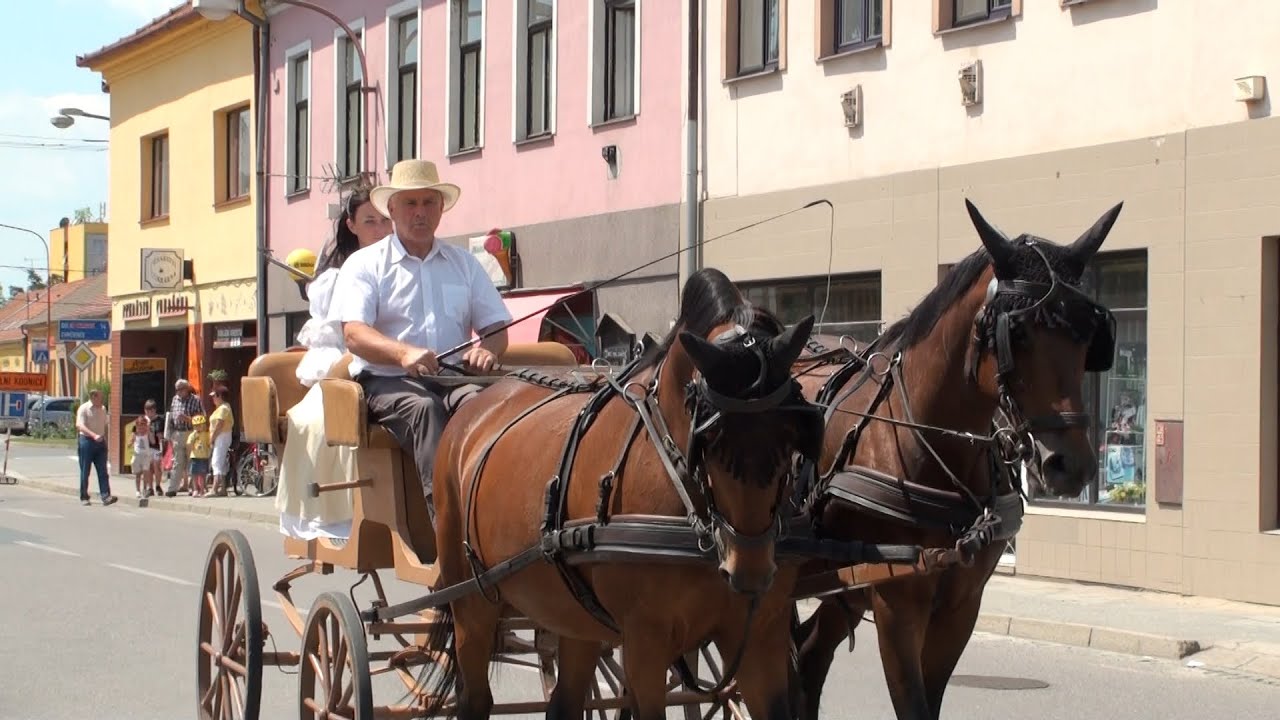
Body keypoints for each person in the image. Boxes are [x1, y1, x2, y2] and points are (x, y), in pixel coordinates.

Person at [332, 159, 513, 518]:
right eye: (410, 203)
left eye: (429, 202)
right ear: (393, 209)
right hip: (386, 383)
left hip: (450, 378)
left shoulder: (463, 263)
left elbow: (495, 328)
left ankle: (498, 511)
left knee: (488, 405)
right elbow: (353, 333)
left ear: (441, 208)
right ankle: (446, 526)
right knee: (425, 411)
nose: (420, 213)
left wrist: (486, 350)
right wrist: (402, 354)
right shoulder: (366, 264)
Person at [276, 188, 390, 540]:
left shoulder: (400, 266)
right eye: (370, 221)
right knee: (318, 424)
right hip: (343, 369)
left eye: (385, 220)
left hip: (393, 365)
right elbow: (335, 340)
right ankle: (333, 514)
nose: (380, 228)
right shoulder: (337, 278)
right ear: (351, 225)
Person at [75, 389, 117, 506]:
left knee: (103, 471)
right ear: (93, 397)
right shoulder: (84, 408)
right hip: (87, 441)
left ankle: (105, 495)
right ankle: (84, 496)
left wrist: (106, 443)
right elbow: (80, 425)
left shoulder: (103, 409)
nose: (102, 399)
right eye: (100, 397)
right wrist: (93, 435)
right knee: (85, 471)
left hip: (100, 442)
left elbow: (105, 426)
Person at [164, 379, 203, 497]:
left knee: (191, 461)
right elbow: (171, 417)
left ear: (187, 388)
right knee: (177, 462)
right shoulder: (175, 399)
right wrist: (169, 434)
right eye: (177, 389)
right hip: (177, 433)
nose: (178, 392)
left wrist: (187, 419)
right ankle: (172, 488)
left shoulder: (195, 400)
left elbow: (200, 419)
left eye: (181, 389)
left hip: (190, 432)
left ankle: (193, 487)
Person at [207, 388, 234, 496]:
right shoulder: (221, 408)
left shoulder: (223, 408)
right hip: (221, 436)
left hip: (222, 436)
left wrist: (212, 438)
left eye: (214, 396)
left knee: (216, 462)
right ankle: (223, 489)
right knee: (221, 462)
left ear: (220, 396)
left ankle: (214, 489)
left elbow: (219, 424)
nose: (213, 398)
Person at [187, 415, 211, 498]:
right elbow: (189, 444)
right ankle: (195, 489)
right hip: (195, 456)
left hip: (204, 456)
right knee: (194, 474)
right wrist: (194, 438)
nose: (199, 427)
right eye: (196, 426)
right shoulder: (192, 435)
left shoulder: (207, 434)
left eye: (200, 425)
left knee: (203, 474)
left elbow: (209, 443)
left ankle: (202, 489)